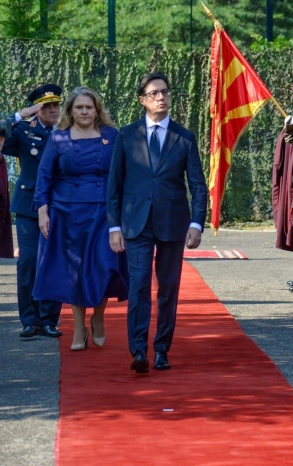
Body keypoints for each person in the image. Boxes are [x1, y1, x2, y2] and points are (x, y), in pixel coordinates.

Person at [107, 72, 208, 374]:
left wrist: (197, 224)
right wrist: (114, 227)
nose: (161, 97)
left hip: (173, 223)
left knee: (168, 288)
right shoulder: (127, 135)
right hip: (135, 223)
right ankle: (138, 350)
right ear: (142, 100)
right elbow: (114, 185)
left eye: (165, 91)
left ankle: (162, 349)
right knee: (138, 285)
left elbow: (198, 186)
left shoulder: (184, 137)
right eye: (154, 93)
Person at [34, 86, 129, 351]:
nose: (84, 111)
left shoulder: (112, 135)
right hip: (66, 213)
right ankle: (78, 327)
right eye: (79, 107)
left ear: (97, 110)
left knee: (103, 266)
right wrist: (43, 211)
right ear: (70, 111)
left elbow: (123, 173)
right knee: (74, 273)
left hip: (104, 212)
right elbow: (44, 175)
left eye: (89, 107)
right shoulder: (58, 139)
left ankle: (98, 319)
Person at [2, 84, 64, 339]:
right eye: (46, 106)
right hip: (28, 206)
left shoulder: (67, 131)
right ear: (36, 109)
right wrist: (20, 115)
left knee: (53, 262)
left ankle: (49, 319)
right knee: (28, 262)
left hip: (60, 205)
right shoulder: (23, 131)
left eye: (55, 105)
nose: (52, 110)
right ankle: (29, 320)